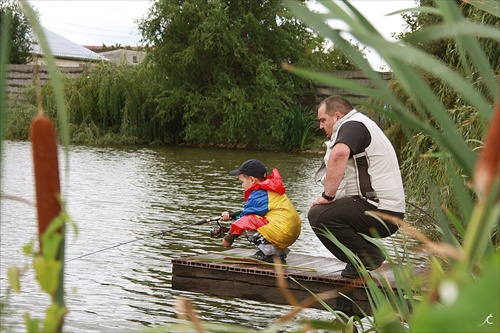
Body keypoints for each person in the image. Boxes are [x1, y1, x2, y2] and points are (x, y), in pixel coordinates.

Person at [308, 96, 405, 278]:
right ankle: (361, 259)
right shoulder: (359, 124)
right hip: (384, 210)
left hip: (381, 211)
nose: (320, 126)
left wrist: (328, 196)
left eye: (323, 120)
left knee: (318, 215)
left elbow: (340, 154)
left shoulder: (353, 124)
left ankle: (367, 257)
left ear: (337, 116)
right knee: (324, 213)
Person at [219, 159, 301, 263]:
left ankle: (267, 254)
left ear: (252, 180)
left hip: (282, 233)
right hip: (291, 233)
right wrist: (232, 215)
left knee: (247, 223)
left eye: (242, 182)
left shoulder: (258, 194)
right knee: (251, 220)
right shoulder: (270, 189)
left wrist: (228, 238)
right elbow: (253, 213)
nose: (242, 185)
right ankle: (280, 253)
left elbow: (246, 219)